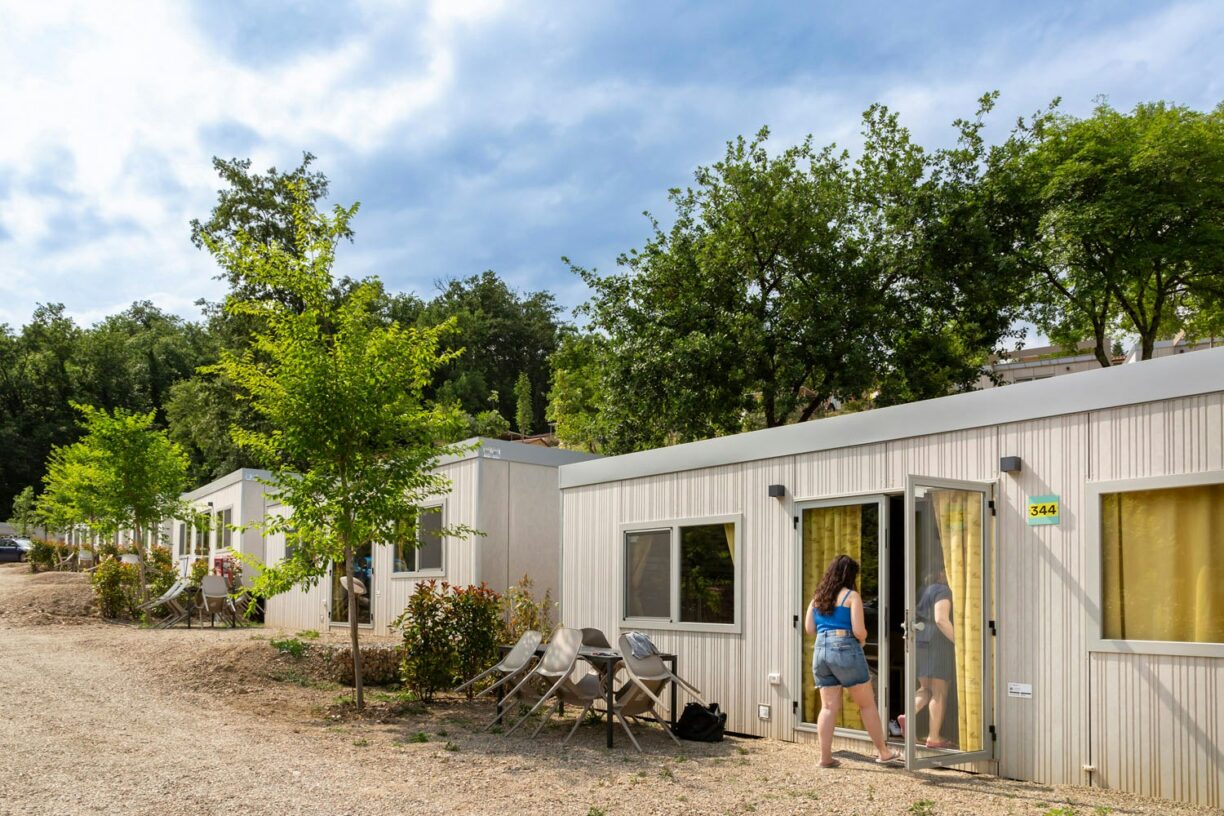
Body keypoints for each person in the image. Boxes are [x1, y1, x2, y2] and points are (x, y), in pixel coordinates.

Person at [806, 554, 900, 768]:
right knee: (866, 704)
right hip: (844, 648)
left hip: (820, 651)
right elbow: (859, 630)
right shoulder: (852, 596)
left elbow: (810, 629)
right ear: (849, 575)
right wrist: (863, 638)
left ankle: (825, 758)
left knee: (828, 707)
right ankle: (884, 752)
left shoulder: (817, 598)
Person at [899, 568, 955, 749]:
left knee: (926, 688)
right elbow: (941, 619)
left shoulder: (922, 590)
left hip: (920, 640)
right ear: (940, 574)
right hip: (937, 642)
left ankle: (908, 716)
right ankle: (934, 737)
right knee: (939, 691)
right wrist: (960, 643)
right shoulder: (942, 590)